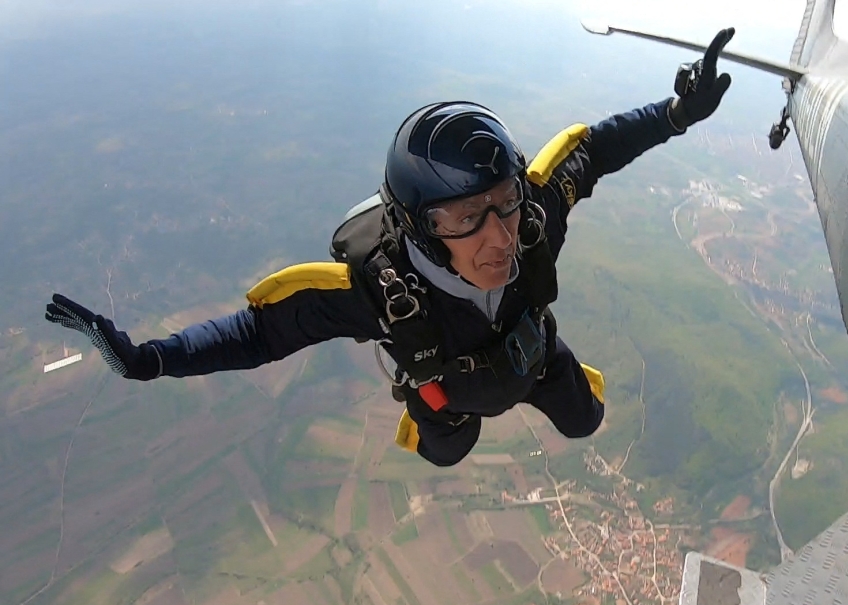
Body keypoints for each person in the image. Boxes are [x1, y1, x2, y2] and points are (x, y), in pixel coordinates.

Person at [45, 28, 735, 467]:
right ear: (414, 227)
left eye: (503, 202)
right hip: (446, 396)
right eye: (465, 218)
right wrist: (151, 361)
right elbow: (257, 334)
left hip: (533, 358)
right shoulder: (374, 289)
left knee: (586, 420)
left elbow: (595, 150)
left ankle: (539, 394)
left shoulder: (532, 215)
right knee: (445, 451)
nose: (498, 236)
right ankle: (445, 423)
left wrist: (674, 115)